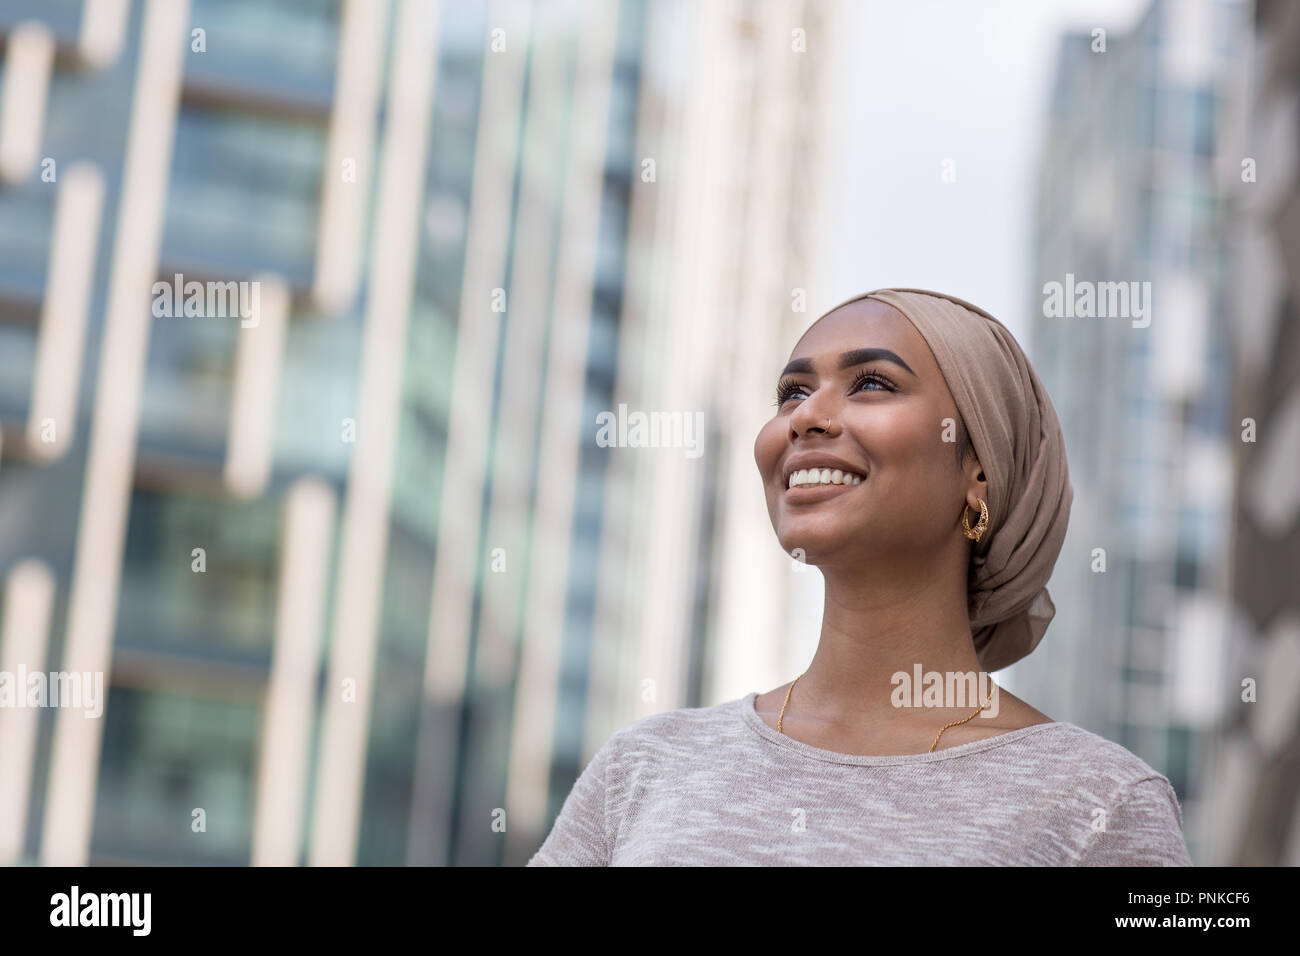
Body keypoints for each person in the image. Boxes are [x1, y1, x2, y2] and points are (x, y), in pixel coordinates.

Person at [527, 288, 1193, 866]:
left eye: (872, 382)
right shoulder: (644, 767)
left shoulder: (1097, 803)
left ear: (978, 471)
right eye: (792, 391)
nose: (806, 416)